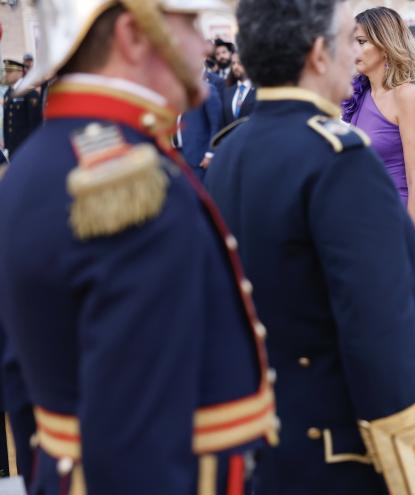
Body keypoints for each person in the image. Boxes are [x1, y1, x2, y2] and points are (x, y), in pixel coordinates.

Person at [0, 1, 281, 493]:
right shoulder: (127, 182)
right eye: (190, 25)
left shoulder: (34, 165)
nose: (204, 44)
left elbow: (23, 391)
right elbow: (142, 436)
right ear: (133, 35)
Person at [205, 0, 415, 493]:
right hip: (336, 448)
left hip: (261, 440)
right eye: (344, 42)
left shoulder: (229, 152)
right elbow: (385, 335)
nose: (351, 53)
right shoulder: (338, 158)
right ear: (317, 54)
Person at [343, 7, 415, 275]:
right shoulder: (359, 95)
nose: (352, 50)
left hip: (399, 224)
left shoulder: (406, 95)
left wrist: (406, 243)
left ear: (385, 44)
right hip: (361, 226)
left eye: (360, 42)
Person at [174, 70, 223, 180]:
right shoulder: (176, 91)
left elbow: (216, 124)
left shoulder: (207, 90)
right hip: (177, 155)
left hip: (198, 156)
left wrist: (210, 153)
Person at [2, 59, 42, 159]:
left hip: (26, 146)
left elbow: (35, 123)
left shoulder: (29, 93)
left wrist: (34, 147)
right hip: (13, 147)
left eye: (10, 72)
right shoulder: (8, 93)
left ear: (20, 72)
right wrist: (7, 145)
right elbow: (7, 122)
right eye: (6, 72)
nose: (7, 75)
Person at [221, 52, 255, 127]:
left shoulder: (258, 91)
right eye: (233, 63)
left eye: (239, 63)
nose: (235, 67)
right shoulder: (227, 91)